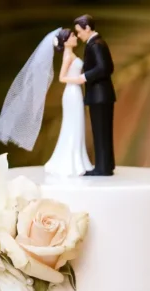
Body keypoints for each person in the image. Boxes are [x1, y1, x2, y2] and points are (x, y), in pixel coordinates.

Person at [62, 14, 116, 176]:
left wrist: (83, 77)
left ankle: (103, 167)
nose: (78, 35)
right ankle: (106, 164)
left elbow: (104, 68)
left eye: (79, 31)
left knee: (101, 131)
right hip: (100, 95)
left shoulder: (96, 45)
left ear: (87, 28)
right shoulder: (96, 43)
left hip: (99, 95)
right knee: (103, 131)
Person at [44, 28, 94, 177]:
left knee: (76, 125)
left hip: (76, 92)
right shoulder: (68, 57)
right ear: (65, 41)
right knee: (72, 124)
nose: (75, 37)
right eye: (72, 36)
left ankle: (79, 159)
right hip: (72, 92)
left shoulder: (71, 55)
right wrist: (79, 79)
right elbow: (62, 78)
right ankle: (70, 162)